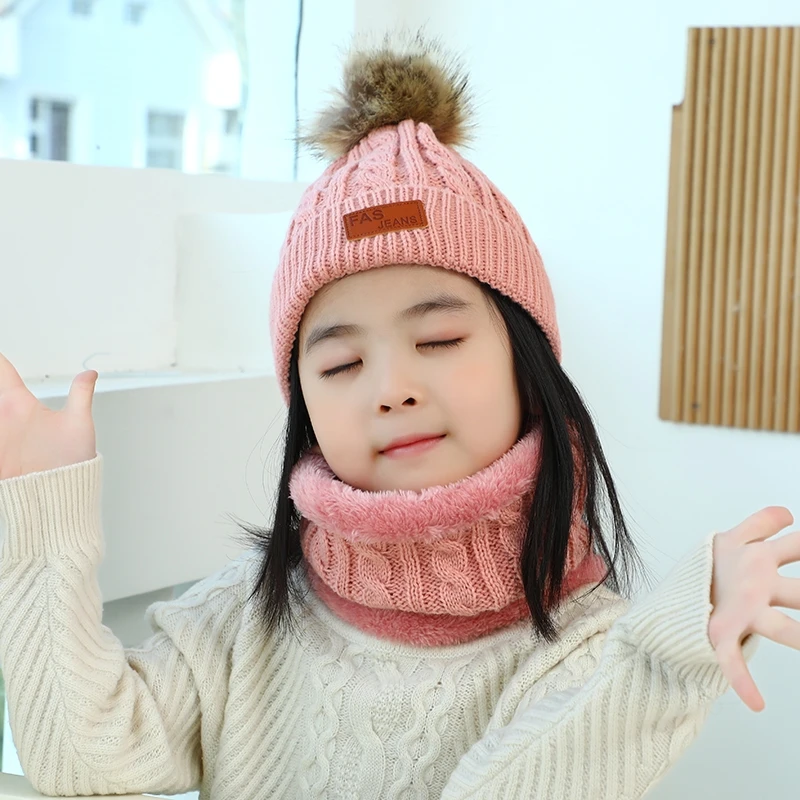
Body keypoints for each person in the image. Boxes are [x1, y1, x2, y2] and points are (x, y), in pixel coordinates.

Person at [0, 31, 798, 800]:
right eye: (341, 364)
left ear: (528, 362)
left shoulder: (592, 649)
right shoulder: (245, 614)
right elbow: (81, 753)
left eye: (439, 339)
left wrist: (663, 658)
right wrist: (42, 524)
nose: (390, 388)